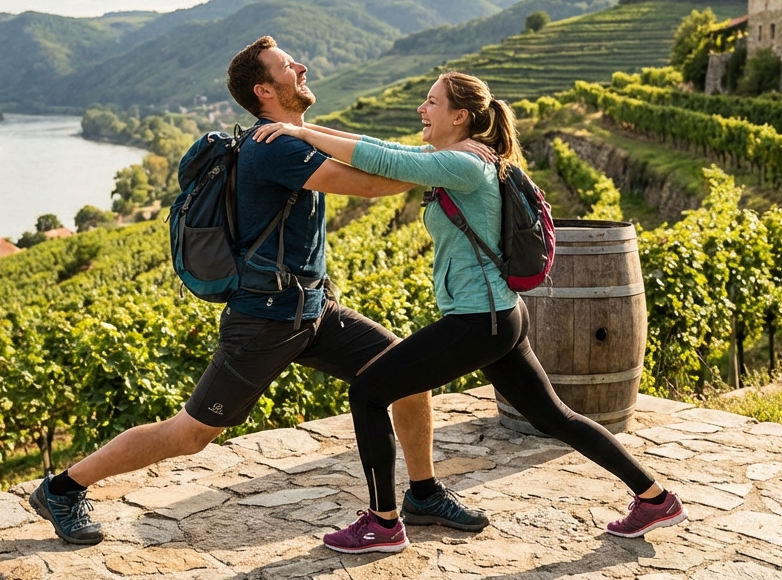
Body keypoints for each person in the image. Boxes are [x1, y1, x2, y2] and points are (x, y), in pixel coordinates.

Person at [29, 37, 490, 546]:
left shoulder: (293, 136)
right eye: (288, 65)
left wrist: (435, 156)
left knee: (409, 374)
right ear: (265, 89)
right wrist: (444, 158)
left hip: (313, 309)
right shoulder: (277, 147)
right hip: (265, 319)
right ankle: (62, 488)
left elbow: (365, 164)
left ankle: (421, 494)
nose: (303, 66)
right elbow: (372, 186)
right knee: (190, 435)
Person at [251, 71, 686, 554]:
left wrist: (301, 133)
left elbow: (382, 157)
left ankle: (383, 523)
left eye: (431, 102)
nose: (422, 109)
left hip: (481, 321)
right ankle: (655, 498)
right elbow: (376, 145)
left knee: (369, 391)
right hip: (500, 315)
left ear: (459, 116)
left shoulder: (464, 164)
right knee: (555, 417)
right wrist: (307, 133)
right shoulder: (462, 157)